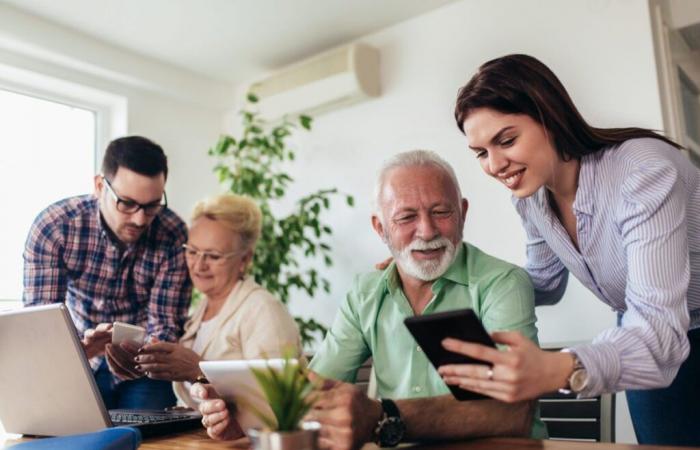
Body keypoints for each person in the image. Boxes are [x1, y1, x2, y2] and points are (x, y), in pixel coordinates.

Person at [194, 150, 547, 447]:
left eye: (441, 212)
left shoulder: (503, 283)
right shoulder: (366, 292)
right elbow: (315, 392)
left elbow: (513, 411)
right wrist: (247, 419)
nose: (427, 231)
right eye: (406, 217)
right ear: (380, 228)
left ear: (463, 213)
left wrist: (384, 415)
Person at [441, 53, 700, 446]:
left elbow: (659, 329)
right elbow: (543, 283)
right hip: (644, 329)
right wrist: (445, 273)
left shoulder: (643, 172)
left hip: (659, 329)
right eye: (480, 153)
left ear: (549, 117)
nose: (494, 165)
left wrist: (558, 367)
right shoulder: (531, 201)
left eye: (506, 140)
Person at [23, 135, 192, 409]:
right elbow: (43, 326)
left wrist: (139, 351)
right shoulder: (55, 227)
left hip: (144, 364)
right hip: (78, 358)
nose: (140, 219)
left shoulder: (173, 233)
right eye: (127, 203)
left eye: (152, 205)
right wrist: (84, 349)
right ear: (100, 186)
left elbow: (166, 324)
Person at [133, 193, 301, 407]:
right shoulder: (199, 312)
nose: (199, 265)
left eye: (213, 256)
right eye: (192, 251)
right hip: (196, 437)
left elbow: (279, 398)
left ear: (244, 259)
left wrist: (197, 370)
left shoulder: (263, 310)